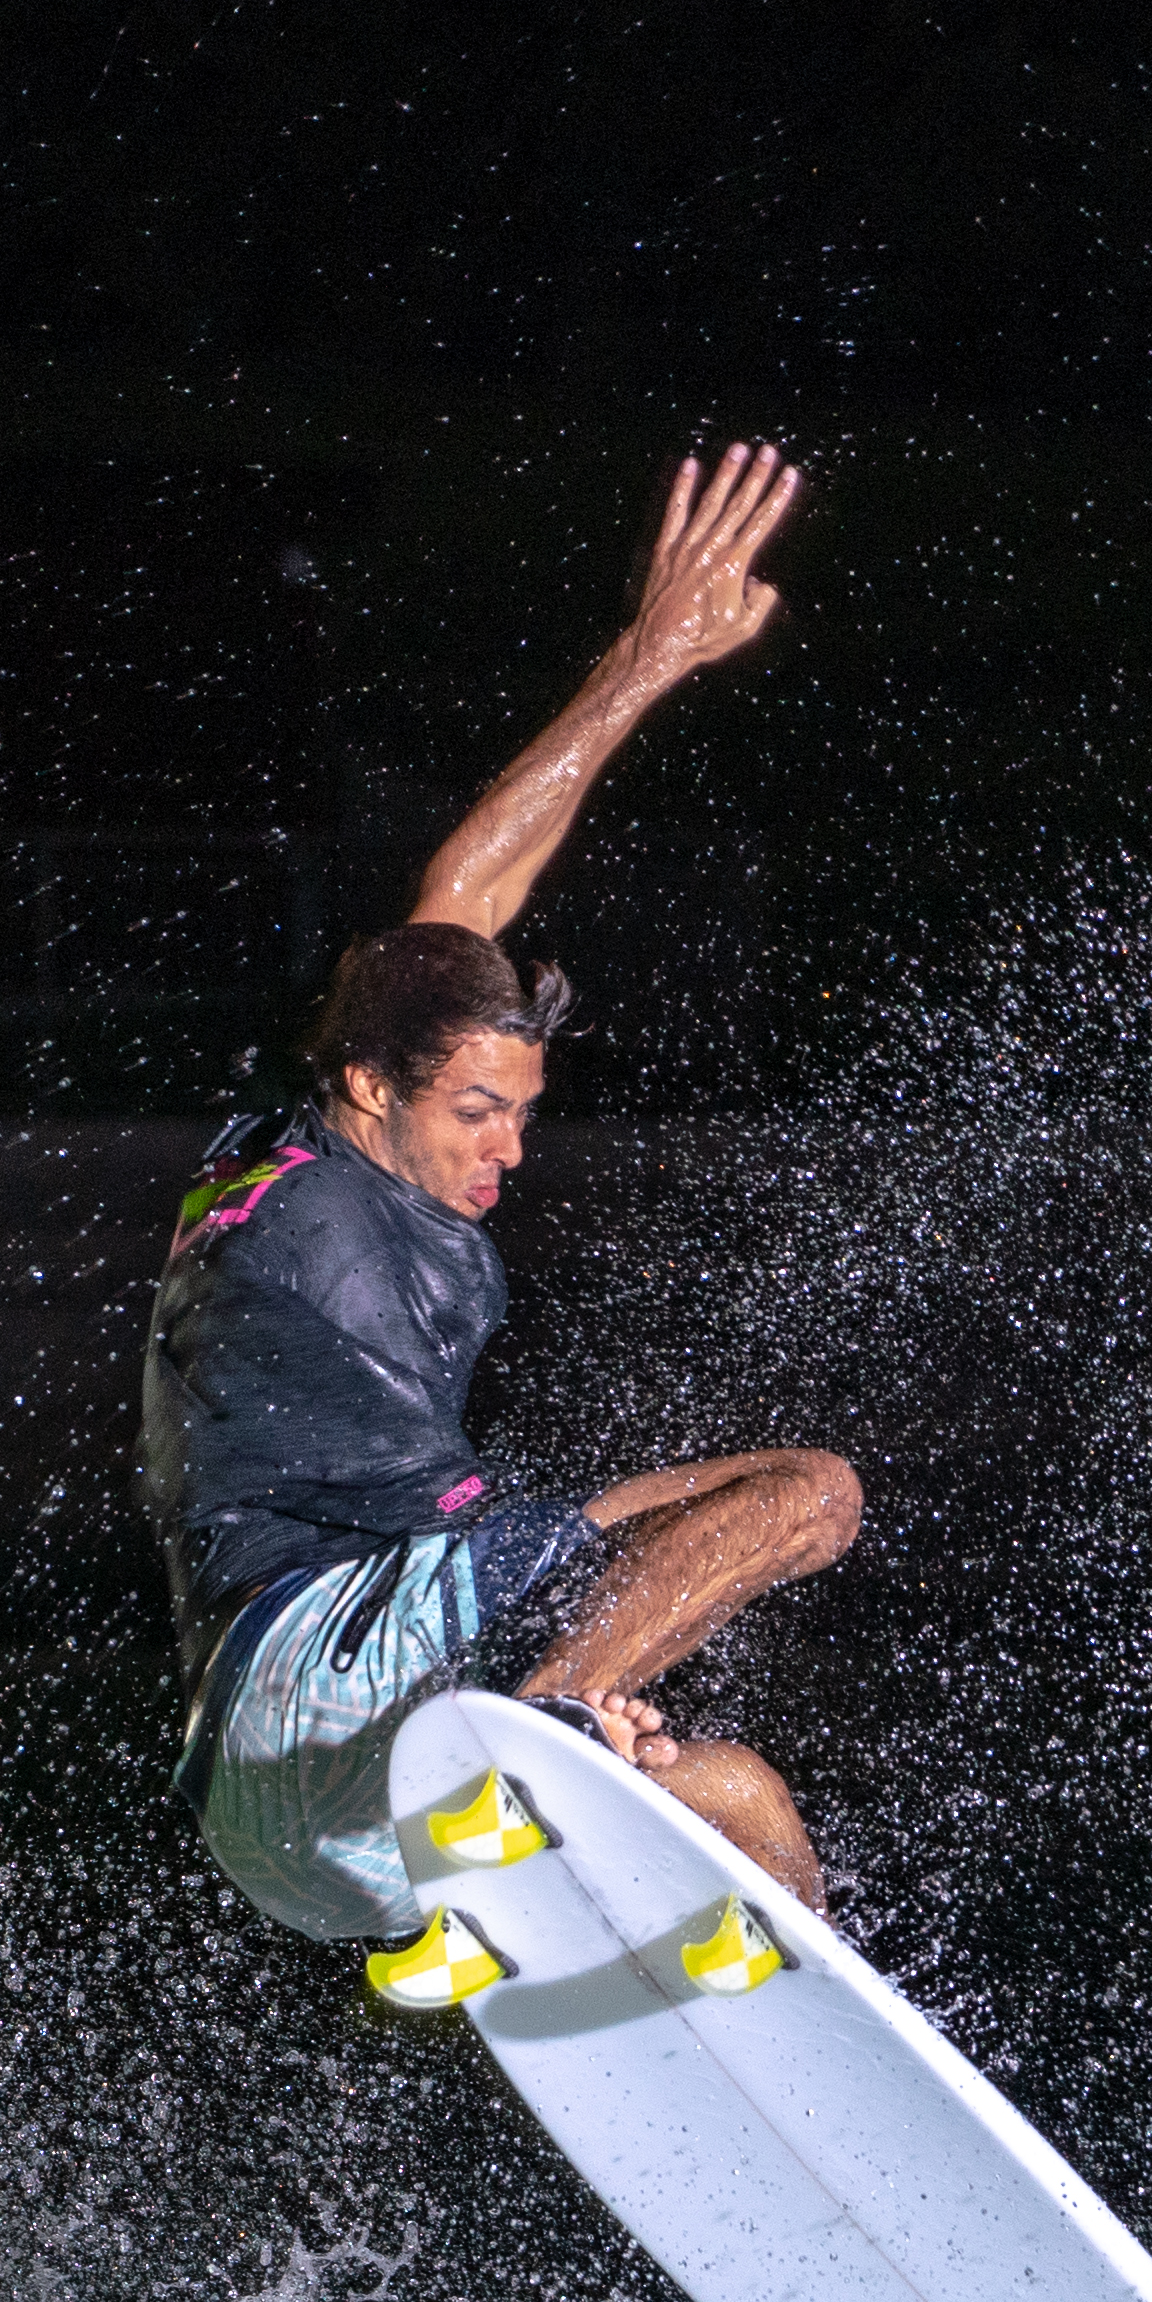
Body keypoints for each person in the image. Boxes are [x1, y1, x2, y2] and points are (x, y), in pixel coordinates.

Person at [138, 442, 861, 1967]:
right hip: (325, 1654)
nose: (506, 1155)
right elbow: (462, 882)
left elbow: (474, 906)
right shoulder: (301, 1187)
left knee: (739, 1799)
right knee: (814, 1498)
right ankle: (542, 1747)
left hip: (287, 1826)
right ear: (365, 1085)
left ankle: (701, 1997)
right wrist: (651, 651)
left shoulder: (311, 1133)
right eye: (475, 1111)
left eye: (525, 1117)